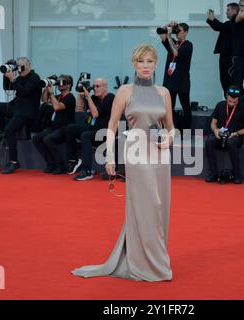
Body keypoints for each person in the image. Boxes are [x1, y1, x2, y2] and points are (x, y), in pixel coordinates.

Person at [72, 44, 175, 282]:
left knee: (159, 208)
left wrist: (169, 138)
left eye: (150, 61)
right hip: (136, 153)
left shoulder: (164, 93)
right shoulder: (125, 92)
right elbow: (111, 126)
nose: (146, 66)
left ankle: (153, 258)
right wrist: (109, 155)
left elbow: (170, 126)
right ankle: (148, 264)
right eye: (141, 62)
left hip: (160, 155)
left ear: (156, 64)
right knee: (145, 206)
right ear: (134, 64)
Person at [0, 57, 41, 174]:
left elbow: (24, 91)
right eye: (18, 67)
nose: (20, 69)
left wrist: (13, 79)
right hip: (16, 107)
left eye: (22, 67)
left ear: (28, 67)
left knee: (10, 130)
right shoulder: (19, 77)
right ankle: (4, 132)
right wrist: (6, 74)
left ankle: (14, 162)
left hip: (27, 111)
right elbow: (7, 87)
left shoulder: (34, 77)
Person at [65, 78, 114, 181]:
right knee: (71, 128)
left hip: (105, 132)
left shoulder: (110, 97)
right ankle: (74, 160)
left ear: (105, 87)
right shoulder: (94, 98)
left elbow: (95, 114)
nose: (94, 88)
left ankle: (87, 170)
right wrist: (81, 95)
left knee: (85, 135)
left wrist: (88, 96)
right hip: (93, 129)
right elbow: (79, 109)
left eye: (97, 86)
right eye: (94, 86)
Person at [205, 86, 244, 184]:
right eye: (230, 101)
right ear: (227, 96)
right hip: (220, 135)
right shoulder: (220, 105)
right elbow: (213, 123)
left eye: (235, 102)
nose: (232, 103)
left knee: (231, 142)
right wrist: (216, 131)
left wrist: (236, 133)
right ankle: (213, 173)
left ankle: (237, 174)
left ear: (238, 99)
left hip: (235, 136)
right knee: (209, 142)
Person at [32, 75, 76, 174]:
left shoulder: (70, 98)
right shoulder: (58, 96)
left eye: (63, 82)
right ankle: (51, 163)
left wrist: (51, 92)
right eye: (58, 82)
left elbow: (57, 107)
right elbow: (44, 100)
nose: (59, 84)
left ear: (68, 85)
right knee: (36, 138)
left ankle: (61, 165)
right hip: (54, 127)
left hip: (65, 129)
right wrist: (47, 86)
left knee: (48, 139)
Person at [160, 22, 193, 130]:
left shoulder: (188, 45)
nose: (177, 33)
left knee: (185, 107)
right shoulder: (172, 42)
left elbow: (176, 53)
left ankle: (186, 132)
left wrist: (170, 37)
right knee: (169, 107)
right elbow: (162, 34)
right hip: (170, 81)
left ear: (186, 33)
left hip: (182, 81)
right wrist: (168, 26)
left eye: (179, 31)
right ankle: (171, 130)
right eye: (176, 31)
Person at [206, 2, 239, 94]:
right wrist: (211, 20)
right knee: (224, 79)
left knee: (228, 79)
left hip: (230, 57)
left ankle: (232, 99)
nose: (226, 12)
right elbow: (220, 27)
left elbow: (220, 27)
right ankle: (228, 98)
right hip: (225, 55)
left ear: (235, 10)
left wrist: (212, 19)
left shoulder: (235, 23)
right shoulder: (229, 24)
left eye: (228, 10)